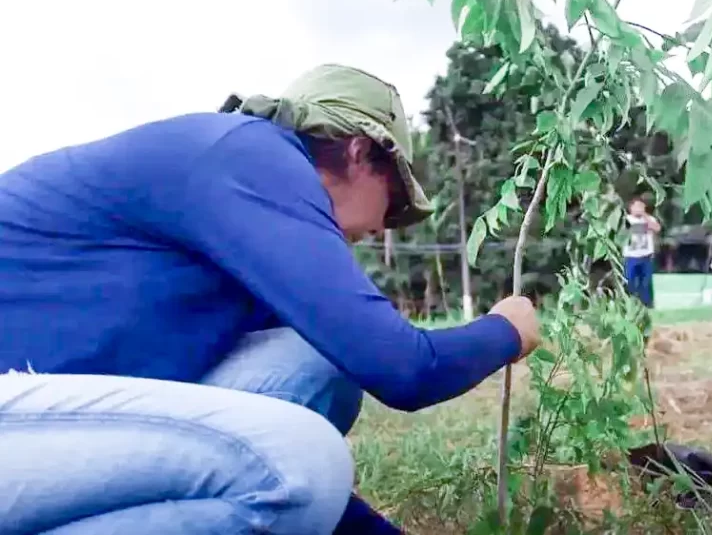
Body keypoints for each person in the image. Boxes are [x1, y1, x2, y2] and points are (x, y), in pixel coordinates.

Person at [0, 64, 542, 535]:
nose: (382, 228)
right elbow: (404, 369)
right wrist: (506, 330)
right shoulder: (250, 156)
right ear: (359, 152)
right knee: (301, 462)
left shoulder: (241, 218)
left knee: (314, 366)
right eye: (394, 200)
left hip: (45, 427)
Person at [623, 196, 660, 308]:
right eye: (637, 206)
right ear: (631, 208)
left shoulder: (650, 219)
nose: (639, 208)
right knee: (630, 281)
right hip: (631, 256)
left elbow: (657, 228)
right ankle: (629, 304)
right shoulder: (626, 219)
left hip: (646, 256)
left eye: (641, 206)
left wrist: (644, 215)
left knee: (646, 282)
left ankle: (648, 304)